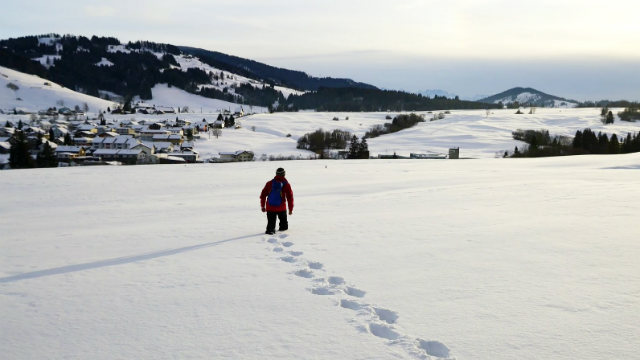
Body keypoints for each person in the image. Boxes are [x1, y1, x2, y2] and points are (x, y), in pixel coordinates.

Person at [260, 167, 294, 235]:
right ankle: (283, 236)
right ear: (284, 174)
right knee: (284, 227)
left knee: (270, 227)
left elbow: (263, 195)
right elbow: (290, 197)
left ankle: (270, 234)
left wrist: (263, 206)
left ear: (276, 174)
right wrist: (290, 209)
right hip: (281, 208)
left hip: (270, 207)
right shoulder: (286, 184)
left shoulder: (269, 183)